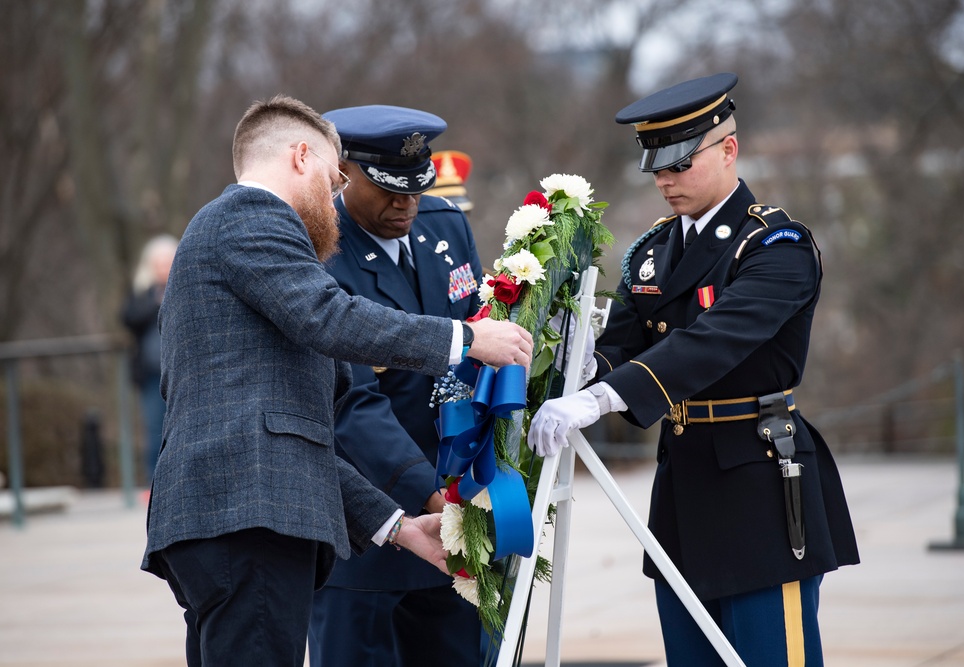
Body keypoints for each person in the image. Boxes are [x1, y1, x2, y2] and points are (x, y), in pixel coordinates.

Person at [140, 94, 533, 666]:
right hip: (245, 519)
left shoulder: (246, 242)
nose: (335, 196)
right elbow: (331, 316)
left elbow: (296, 436)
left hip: (238, 518)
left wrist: (399, 529)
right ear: (301, 156)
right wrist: (468, 340)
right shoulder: (251, 217)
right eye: (332, 178)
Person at [528, 73, 859, 666]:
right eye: (657, 167)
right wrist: (578, 365)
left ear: (728, 149)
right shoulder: (655, 248)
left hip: (757, 484)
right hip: (683, 489)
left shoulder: (774, 246)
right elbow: (626, 338)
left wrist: (603, 397)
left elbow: (713, 341)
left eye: (680, 163)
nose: (664, 179)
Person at [306, 105, 484, 667]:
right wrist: (434, 500)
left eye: (415, 188)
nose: (405, 205)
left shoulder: (445, 225)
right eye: (388, 190)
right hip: (369, 532)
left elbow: (476, 350)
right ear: (344, 173)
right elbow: (351, 404)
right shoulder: (315, 256)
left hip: (455, 515)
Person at [121, 233, 177, 482]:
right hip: (152, 374)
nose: (164, 269)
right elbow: (128, 319)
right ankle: (154, 483)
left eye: (168, 262)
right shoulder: (142, 293)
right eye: (159, 264)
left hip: (181, 370)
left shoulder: (186, 286)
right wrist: (156, 303)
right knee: (154, 428)